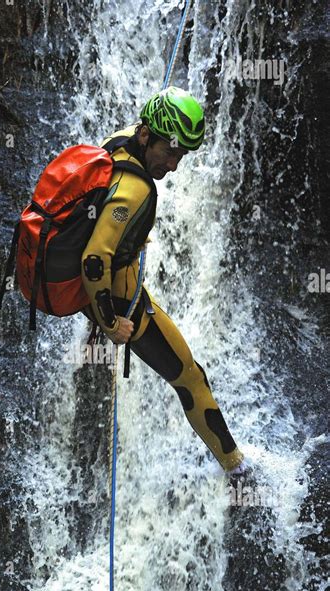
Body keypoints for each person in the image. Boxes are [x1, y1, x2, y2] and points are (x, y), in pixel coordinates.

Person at [80, 86, 249, 476]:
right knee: (191, 377)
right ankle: (237, 470)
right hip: (121, 300)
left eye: (181, 155)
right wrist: (111, 323)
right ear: (145, 136)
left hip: (100, 286)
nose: (173, 165)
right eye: (169, 152)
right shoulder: (135, 190)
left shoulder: (118, 141)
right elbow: (94, 259)